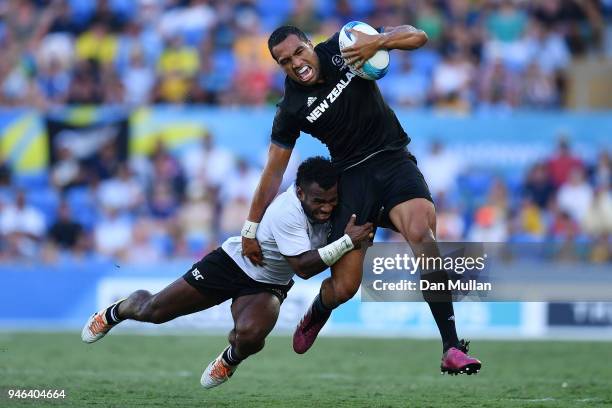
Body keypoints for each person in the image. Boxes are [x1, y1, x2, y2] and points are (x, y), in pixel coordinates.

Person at [241, 25, 481, 375]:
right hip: (351, 179)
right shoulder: (291, 107)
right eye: (284, 61)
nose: (295, 63)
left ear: (310, 44)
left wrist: (379, 41)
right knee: (344, 288)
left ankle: (451, 347)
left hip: (393, 159)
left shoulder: (344, 46)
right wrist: (250, 228)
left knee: (423, 238)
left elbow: (419, 37)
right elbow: (273, 173)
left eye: (298, 52)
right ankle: (319, 310)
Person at [81, 157, 373, 388]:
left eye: (331, 201)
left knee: (251, 336)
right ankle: (118, 311)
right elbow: (304, 269)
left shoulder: (338, 204)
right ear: (299, 193)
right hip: (232, 264)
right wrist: (347, 241)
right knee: (153, 312)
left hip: (269, 282)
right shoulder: (288, 212)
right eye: (318, 201)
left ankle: (229, 360)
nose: (325, 208)